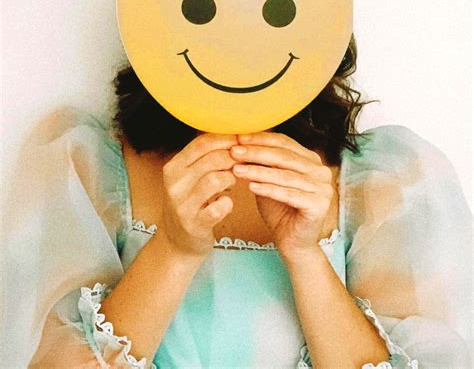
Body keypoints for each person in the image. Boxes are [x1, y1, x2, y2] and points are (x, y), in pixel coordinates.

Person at [2, 34, 472, 368]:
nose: (239, 36)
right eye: (201, 7)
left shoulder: (390, 183)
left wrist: (306, 255)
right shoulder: (83, 166)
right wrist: (173, 249)